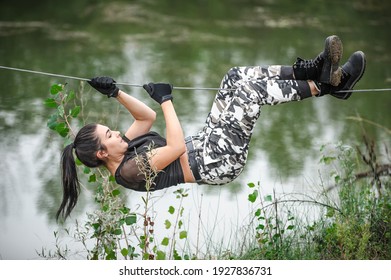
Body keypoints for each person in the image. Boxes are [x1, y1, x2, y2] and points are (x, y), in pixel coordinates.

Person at [56, 35, 366, 221]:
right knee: (249, 94)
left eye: (110, 129)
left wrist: (115, 93)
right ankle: (327, 87)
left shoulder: (122, 147)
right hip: (216, 162)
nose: (115, 133)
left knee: (233, 78)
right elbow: (175, 147)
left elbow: (145, 119)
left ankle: (314, 71)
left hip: (207, 142)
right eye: (109, 135)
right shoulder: (128, 171)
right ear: (101, 152)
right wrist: (167, 100)